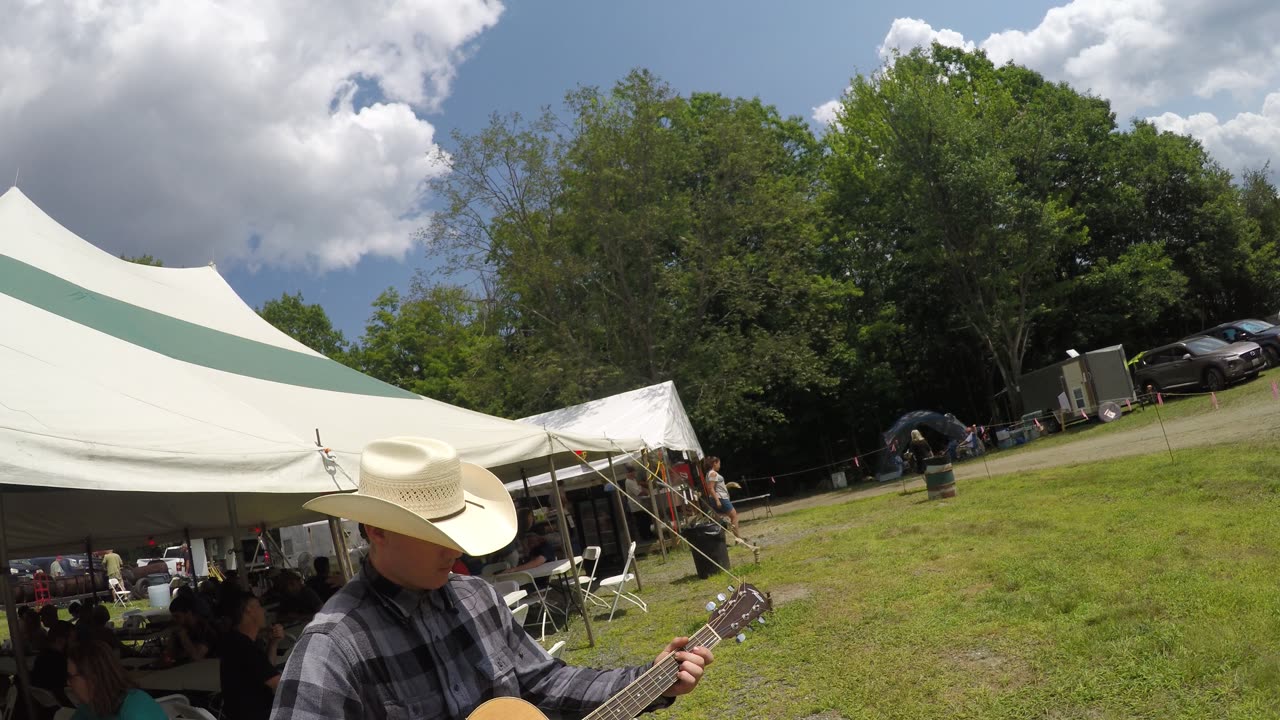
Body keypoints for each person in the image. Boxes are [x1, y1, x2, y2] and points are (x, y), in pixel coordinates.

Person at [273, 436, 712, 719]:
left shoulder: (478, 598)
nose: (457, 549)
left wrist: (646, 680)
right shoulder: (333, 649)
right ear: (376, 530)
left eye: (457, 529)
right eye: (433, 534)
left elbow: (543, 682)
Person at [220, 589, 285, 720]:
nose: (264, 611)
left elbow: (267, 672)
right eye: (259, 606)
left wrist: (273, 643)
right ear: (249, 610)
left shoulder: (236, 641)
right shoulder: (244, 647)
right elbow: (281, 685)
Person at [67, 640, 167, 720]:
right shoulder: (91, 706)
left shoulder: (136, 712)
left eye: (71, 677)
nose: (68, 683)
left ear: (93, 679)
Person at [165, 595, 218, 662]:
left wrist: (182, 635)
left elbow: (196, 657)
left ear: (188, 613)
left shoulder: (205, 629)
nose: (174, 620)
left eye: (177, 616)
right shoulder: (181, 628)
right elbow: (169, 655)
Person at [702, 456, 739, 537]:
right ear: (714, 463)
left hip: (716, 497)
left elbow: (715, 486)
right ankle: (738, 538)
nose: (719, 466)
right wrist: (717, 500)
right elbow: (711, 488)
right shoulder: (713, 473)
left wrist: (728, 485)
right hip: (720, 498)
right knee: (734, 516)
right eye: (719, 464)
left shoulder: (709, 474)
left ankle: (721, 539)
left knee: (719, 520)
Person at [624, 465, 654, 541]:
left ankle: (649, 534)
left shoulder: (633, 480)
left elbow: (640, 487)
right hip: (636, 506)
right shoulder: (628, 482)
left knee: (647, 519)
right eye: (633, 473)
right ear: (629, 473)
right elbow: (638, 492)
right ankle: (645, 537)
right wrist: (647, 492)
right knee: (642, 521)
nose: (634, 475)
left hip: (640, 504)